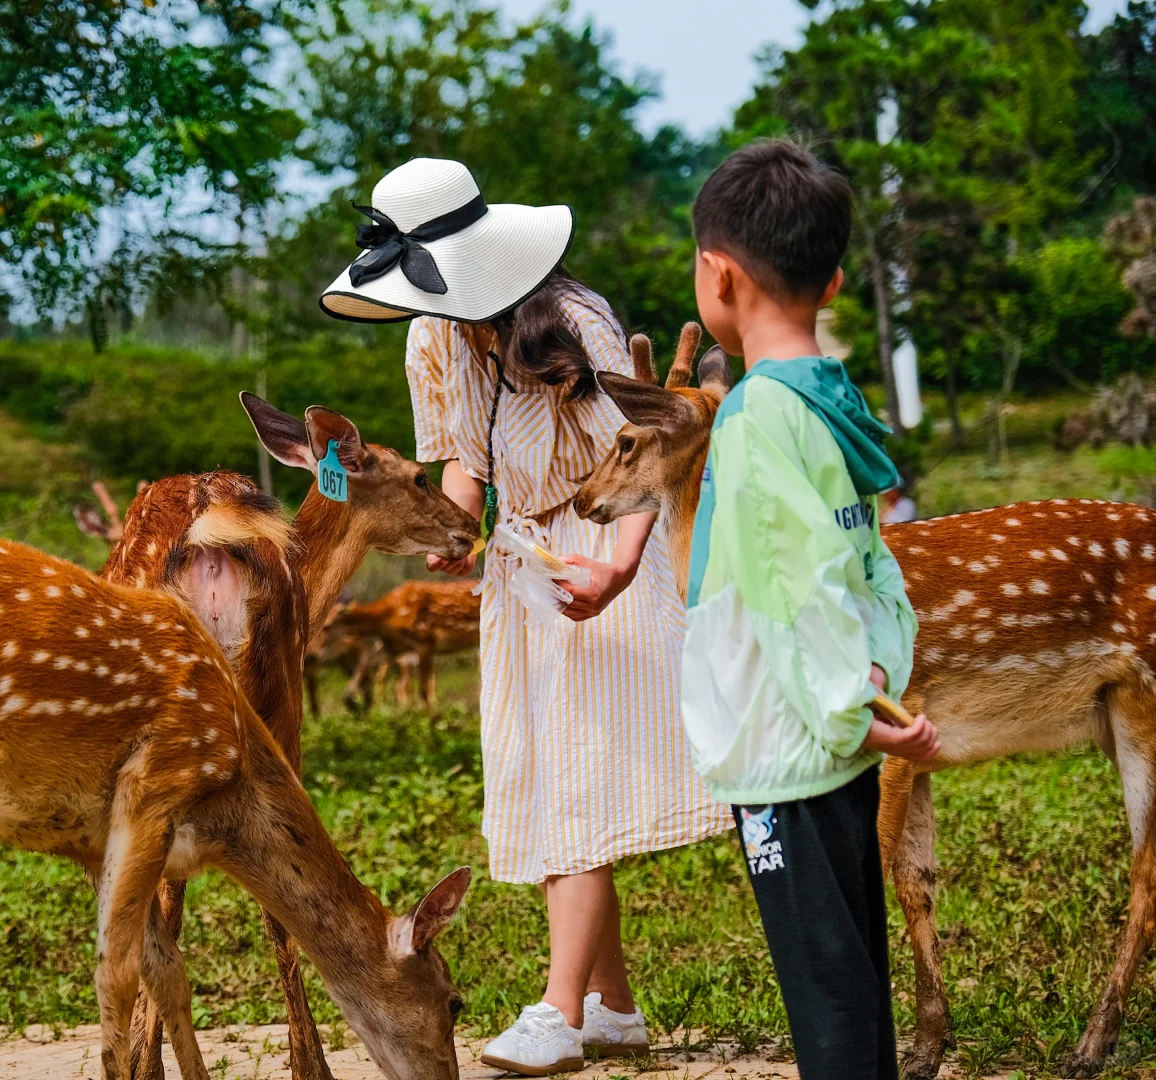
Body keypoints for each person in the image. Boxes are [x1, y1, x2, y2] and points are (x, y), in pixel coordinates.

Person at [320, 157, 728, 1075]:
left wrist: (618, 571)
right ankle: (612, 1008)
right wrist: (456, 533)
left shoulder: (573, 324)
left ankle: (556, 1010)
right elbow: (465, 458)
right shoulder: (433, 337)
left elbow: (646, 461)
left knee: (574, 792)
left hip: (601, 556)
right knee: (551, 789)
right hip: (523, 576)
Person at [681, 139, 941, 1080]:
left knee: (825, 992)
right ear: (833, 281)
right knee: (851, 976)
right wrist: (876, 684)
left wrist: (849, 715)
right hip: (838, 733)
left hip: (791, 753)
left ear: (720, 274)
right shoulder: (831, 402)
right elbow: (866, 564)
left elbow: (797, 590)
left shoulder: (754, 421)